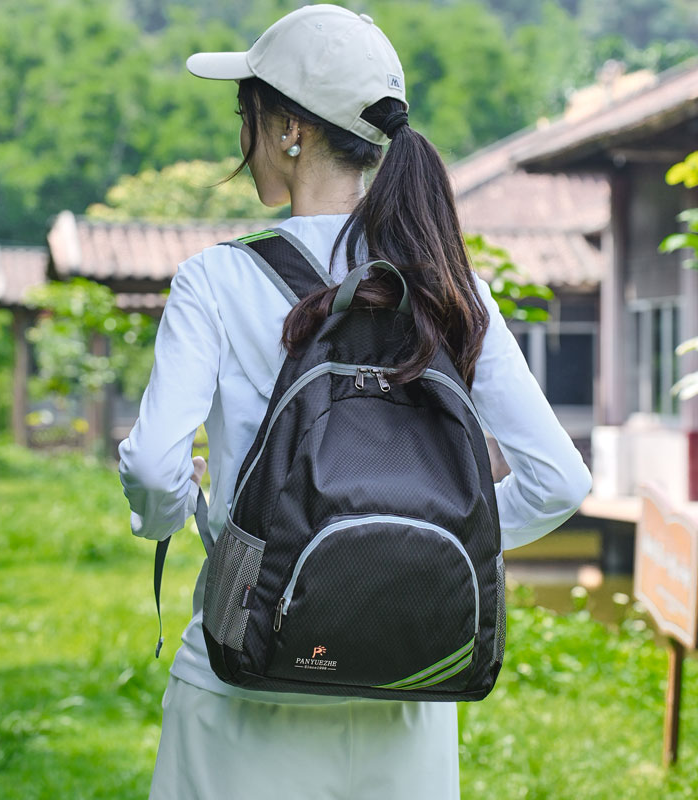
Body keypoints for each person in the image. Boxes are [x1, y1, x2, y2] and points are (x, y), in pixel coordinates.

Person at [118, 5, 593, 799]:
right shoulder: (448, 285)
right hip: (407, 691)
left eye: (247, 113)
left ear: (287, 130)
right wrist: (401, 550)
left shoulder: (217, 279)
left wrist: (190, 522)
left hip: (243, 689)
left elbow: (158, 468)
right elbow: (560, 483)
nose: (244, 135)